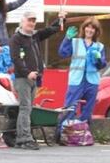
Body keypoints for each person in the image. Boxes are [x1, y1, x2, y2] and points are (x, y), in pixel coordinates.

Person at [9, 10, 67, 150]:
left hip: (33, 78)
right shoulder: (16, 38)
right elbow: (16, 59)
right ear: (22, 21)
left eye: (34, 21)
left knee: (27, 109)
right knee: (25, 108)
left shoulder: (35, 36)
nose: (32, 23)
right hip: (23, 78)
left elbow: (50, 30)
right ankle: (24, 138)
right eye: (29, 20)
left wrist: (61, 19)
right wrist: (27, 72)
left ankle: (21, 138)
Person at [58, 17, 106, 129]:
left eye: (93, 28)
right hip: (76, 80)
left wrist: (99, 59)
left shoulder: (100, 46)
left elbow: (102, 65)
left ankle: (83, 134)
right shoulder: (75, 42)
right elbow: (62, 53)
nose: (89, 30)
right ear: (84, 29)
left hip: (92, 82)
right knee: (70, 107)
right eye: (87, 27)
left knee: (87, 110)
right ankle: (63, 132)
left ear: (96, 31)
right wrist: (67, 39)